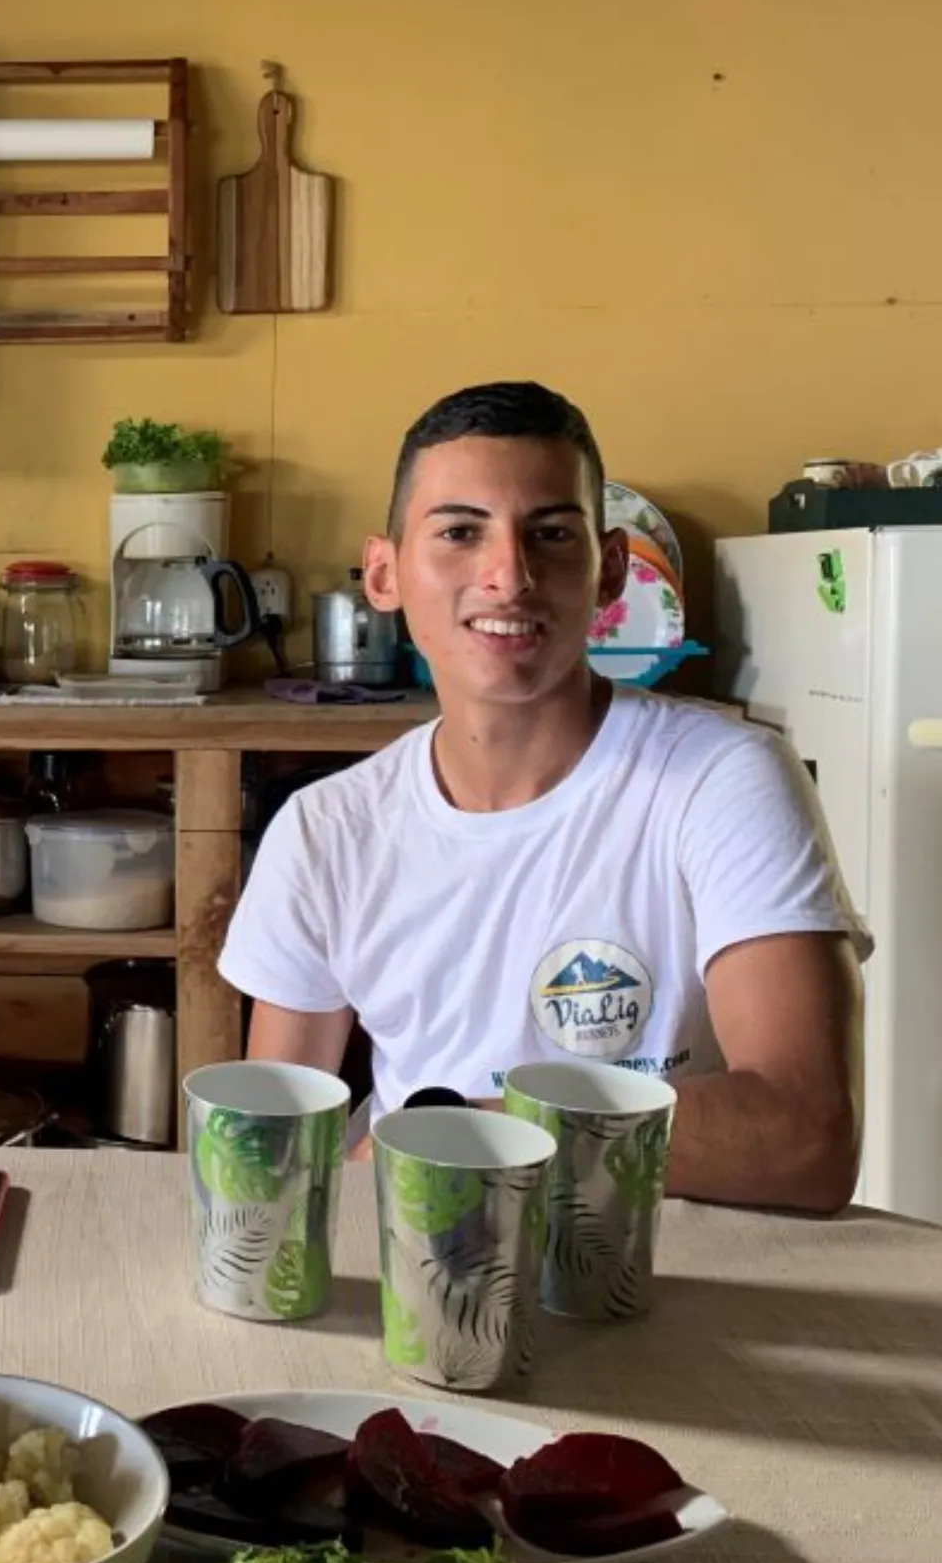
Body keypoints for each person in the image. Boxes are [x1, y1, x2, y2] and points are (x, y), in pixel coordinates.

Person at [220, 382, 868, 1215]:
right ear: (383, 573)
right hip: (423, 1262)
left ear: (611, 574)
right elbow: (275, 1160)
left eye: (553, 535)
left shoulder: (723, 779)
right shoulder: (326, 830)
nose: (509, 576)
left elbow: (805, 1137)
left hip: (667, 1272)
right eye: (460, 532)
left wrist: (463, 1142)